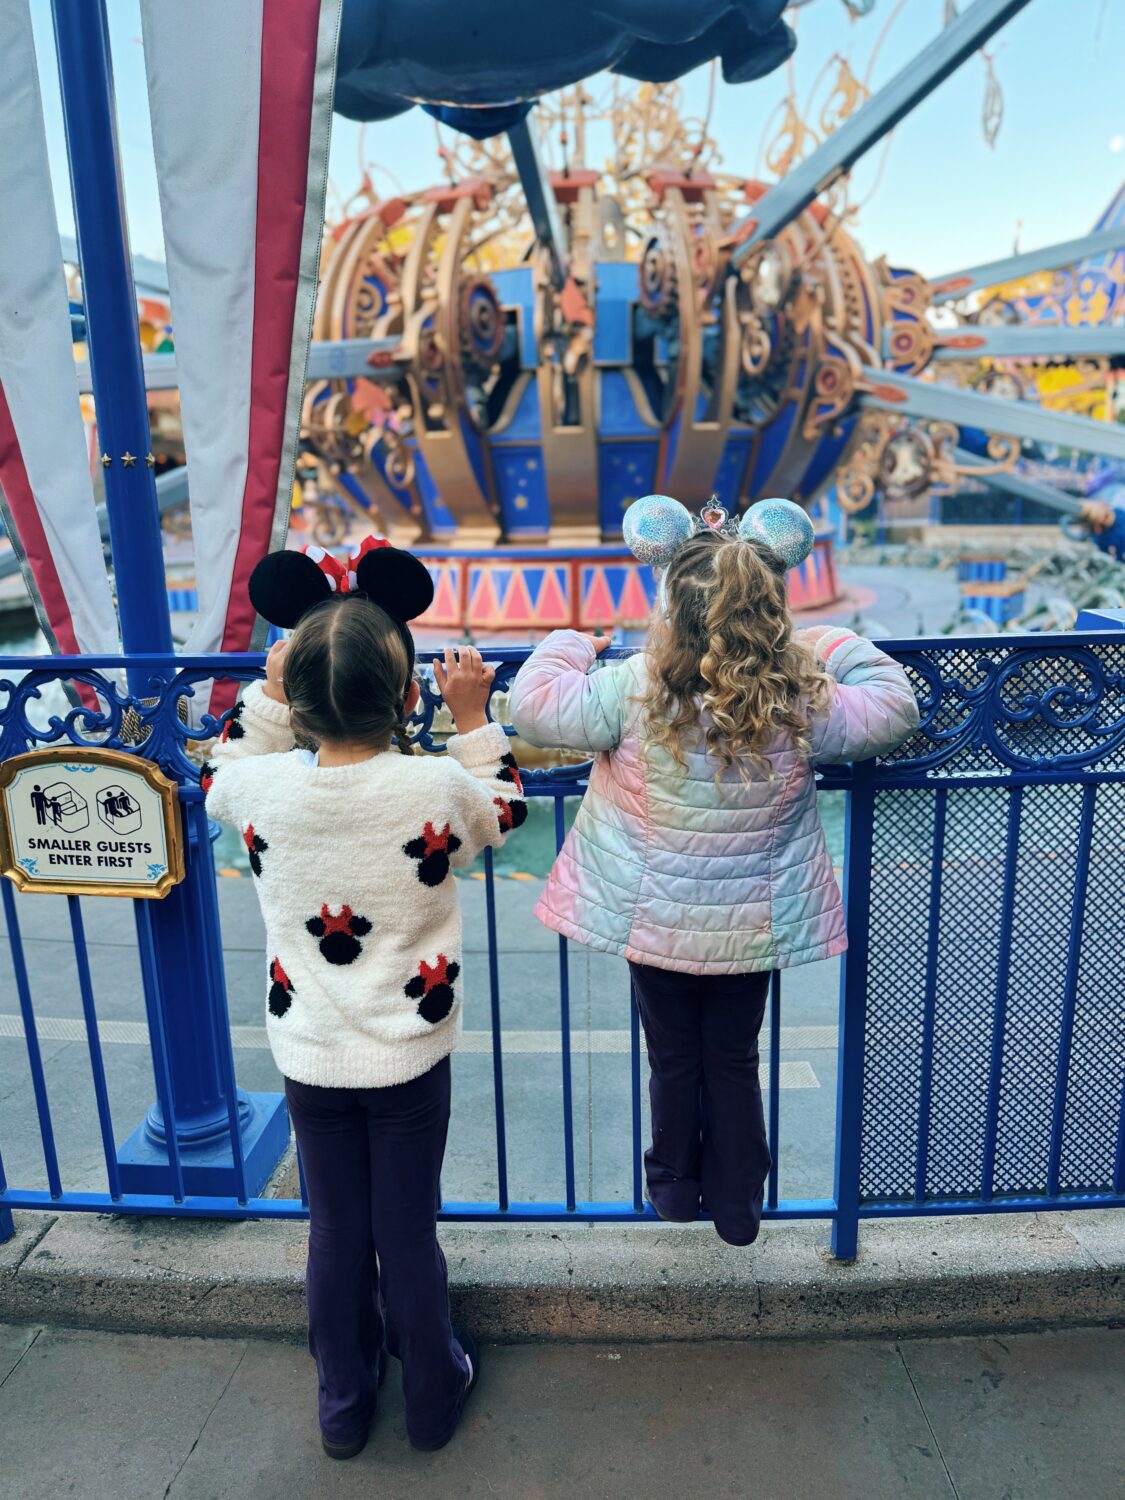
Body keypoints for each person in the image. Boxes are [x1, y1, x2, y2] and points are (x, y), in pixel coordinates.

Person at [509, 513, 919, 1249]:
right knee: (732, 1060)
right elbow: (894, 705)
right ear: (770, 610)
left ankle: (671, 1187)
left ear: (672, 608)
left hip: (655, 922)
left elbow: (535, 707)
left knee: (672, 1058)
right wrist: (827, 639)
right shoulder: (798, 694)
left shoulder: (634, 687)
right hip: (749, 927)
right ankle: (738, 1203)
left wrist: (572, 642)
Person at [205, 594, 526, 1459]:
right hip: (410, 1053)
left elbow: (217, 778)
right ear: (402, 696)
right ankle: (430, 1392)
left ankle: (342, 1405)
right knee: (406, 1230)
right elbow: (506, 810)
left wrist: (268, 702)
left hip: (310, 1050)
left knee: (336, 1231)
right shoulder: (431, 785)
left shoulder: (258, 788)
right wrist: (472, 718)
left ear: (299, 698)